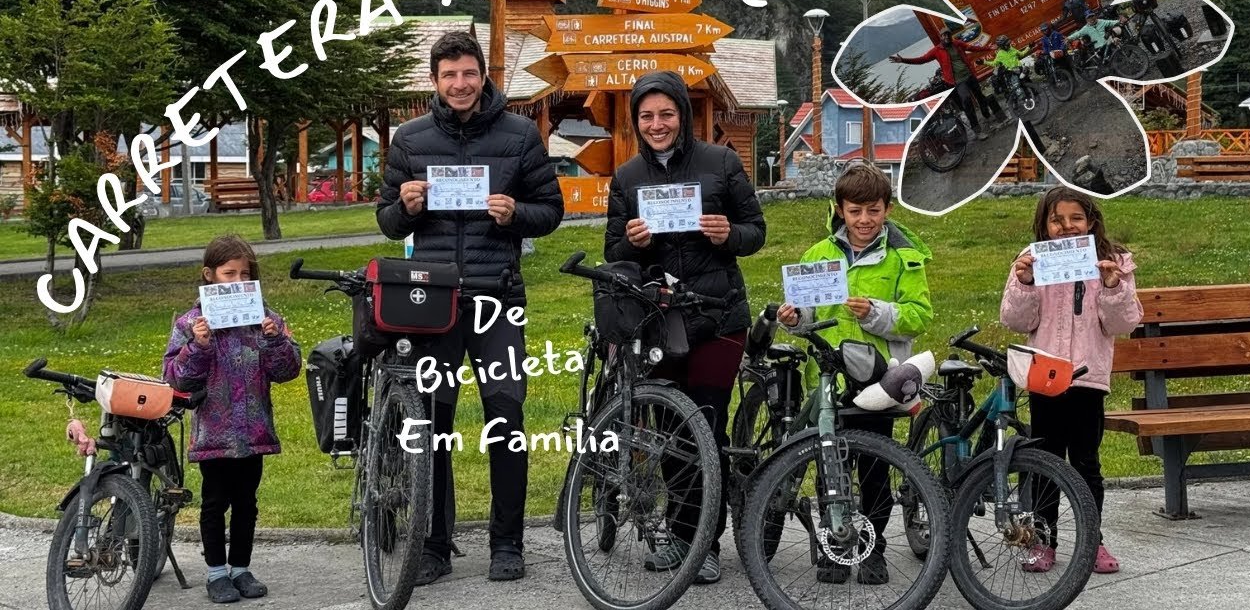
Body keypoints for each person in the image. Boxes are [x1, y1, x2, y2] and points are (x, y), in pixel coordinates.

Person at [375, 30, 565, 584]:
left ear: (483, 76)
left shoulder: (520, 134)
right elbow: (387, 221)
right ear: (434, 81)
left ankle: (507, 544)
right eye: (449, 75)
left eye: (468, 73)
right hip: (431, 303)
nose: (459, 84)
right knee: (433, 425)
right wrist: (406, 208)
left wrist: (515, 214)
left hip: (497, 299)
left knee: (507, 419)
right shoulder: (410, 139)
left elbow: (551, 210)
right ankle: (434, 546)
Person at [604, 69, 766, 585]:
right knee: (673, 432)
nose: (657, 124)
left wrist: (728, 234)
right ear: (636, 121)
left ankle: (706, 543)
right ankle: (682, 532)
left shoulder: (721, 162)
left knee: (708, 426)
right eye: (647, 116)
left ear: (684, 115)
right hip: (660, 321)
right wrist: (632, 242)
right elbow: (613, 252)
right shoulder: (627, 176)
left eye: (666, 114)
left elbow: (756, 231)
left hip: (719, 315)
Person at [776, 161, 933, 585]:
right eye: (855, 211)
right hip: (828, 380)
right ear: (839, 210)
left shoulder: (904, 258)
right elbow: (806, 314)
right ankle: (837, 546)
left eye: (874, 211)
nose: (864, 220)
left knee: (875, 468)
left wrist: (876, 313)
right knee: (831, 467)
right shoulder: (818, 256)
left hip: (879, 382)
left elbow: (919, 316)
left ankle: (873, 547)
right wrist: (794, 319)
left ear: (888, 210)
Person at [999, 186, 1143, 575]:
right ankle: (1043, 539)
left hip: (1087, 380)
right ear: (1044, 225)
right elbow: (1015, 320)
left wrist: (1112, 287)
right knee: (1044, 463)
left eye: (1076, 218)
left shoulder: (1112, 262)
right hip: (1046, 378)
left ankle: (1091, 540)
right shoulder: (1032, 260)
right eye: (1056, 220)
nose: (1066, 227)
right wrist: (1025, 282)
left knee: (1086, 463)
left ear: (1091, 221)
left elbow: (1123, 323)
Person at [162, 234, 302, 604]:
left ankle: (240, 568)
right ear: (209, 275)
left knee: (246, 502)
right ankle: (216, 573)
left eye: (245, 274)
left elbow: (288, 371)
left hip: (254, 431)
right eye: (229, 273)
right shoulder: (191, 323)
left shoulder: (266, 319)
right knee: (214, 503)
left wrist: (276, 341)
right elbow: (176, 379)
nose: (238, 281)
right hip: (215, 433)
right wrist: (198, 346)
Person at [892, 28, 1006, 139]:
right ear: (941, 37)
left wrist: (988, 48)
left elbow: (972, 48)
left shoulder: (957, 43)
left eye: (948, 34)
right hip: (958, 81)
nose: (946, 37)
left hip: (969, 76)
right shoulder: (937, 50)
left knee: (980, 97)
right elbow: (922, 59)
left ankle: (987, 116)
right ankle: (977, 130)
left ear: (950, 36)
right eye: (944, 35)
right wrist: (904, 60)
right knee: (967, 102)